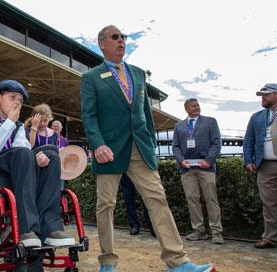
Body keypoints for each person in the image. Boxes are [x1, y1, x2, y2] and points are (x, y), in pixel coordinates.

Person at [80, 25, 216, 272]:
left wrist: (151, 146)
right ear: (102, 44)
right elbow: (88, 116)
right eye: (115, 37)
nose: (121, 40)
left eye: (123, 37)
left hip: (140, 149)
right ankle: (108, 262)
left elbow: (146, 114)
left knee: (157, 199)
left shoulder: (139, 74)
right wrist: (98, 144)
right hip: (109, 150)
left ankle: (177, 262)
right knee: (105, 205)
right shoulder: (91, 78)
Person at [0, 79, 75, 249]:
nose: (17, 103)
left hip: (15, 167)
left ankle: (50, 227)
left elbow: (24, 148)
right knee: (24, 154)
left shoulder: (17, 126)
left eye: (20, 100)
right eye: (12, 97)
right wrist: (9, 122)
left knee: (52, 156)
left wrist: (38, 157)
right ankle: (27, 229)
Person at [172, 98, 224, 245]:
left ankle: (216, 232)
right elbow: (175, 146)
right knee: (192, 200)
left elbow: (216, 143)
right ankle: (199, 231)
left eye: (198, 105)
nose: (197, 108)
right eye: (193, 106)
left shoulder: (210, 122)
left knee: (211, 199)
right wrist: (181, 160)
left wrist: (209, 160)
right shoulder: (179, 126)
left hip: (206, 168)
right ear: (186, 108)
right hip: (187, 170)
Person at [243, 83, 277, 249]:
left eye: (266, 94)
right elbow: (248, 140)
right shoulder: (256, 117)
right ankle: (270, 238)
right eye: (261, 95)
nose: (262, 97)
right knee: (269, 204)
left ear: (276, 95)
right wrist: (249, 160)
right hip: (265, 166)